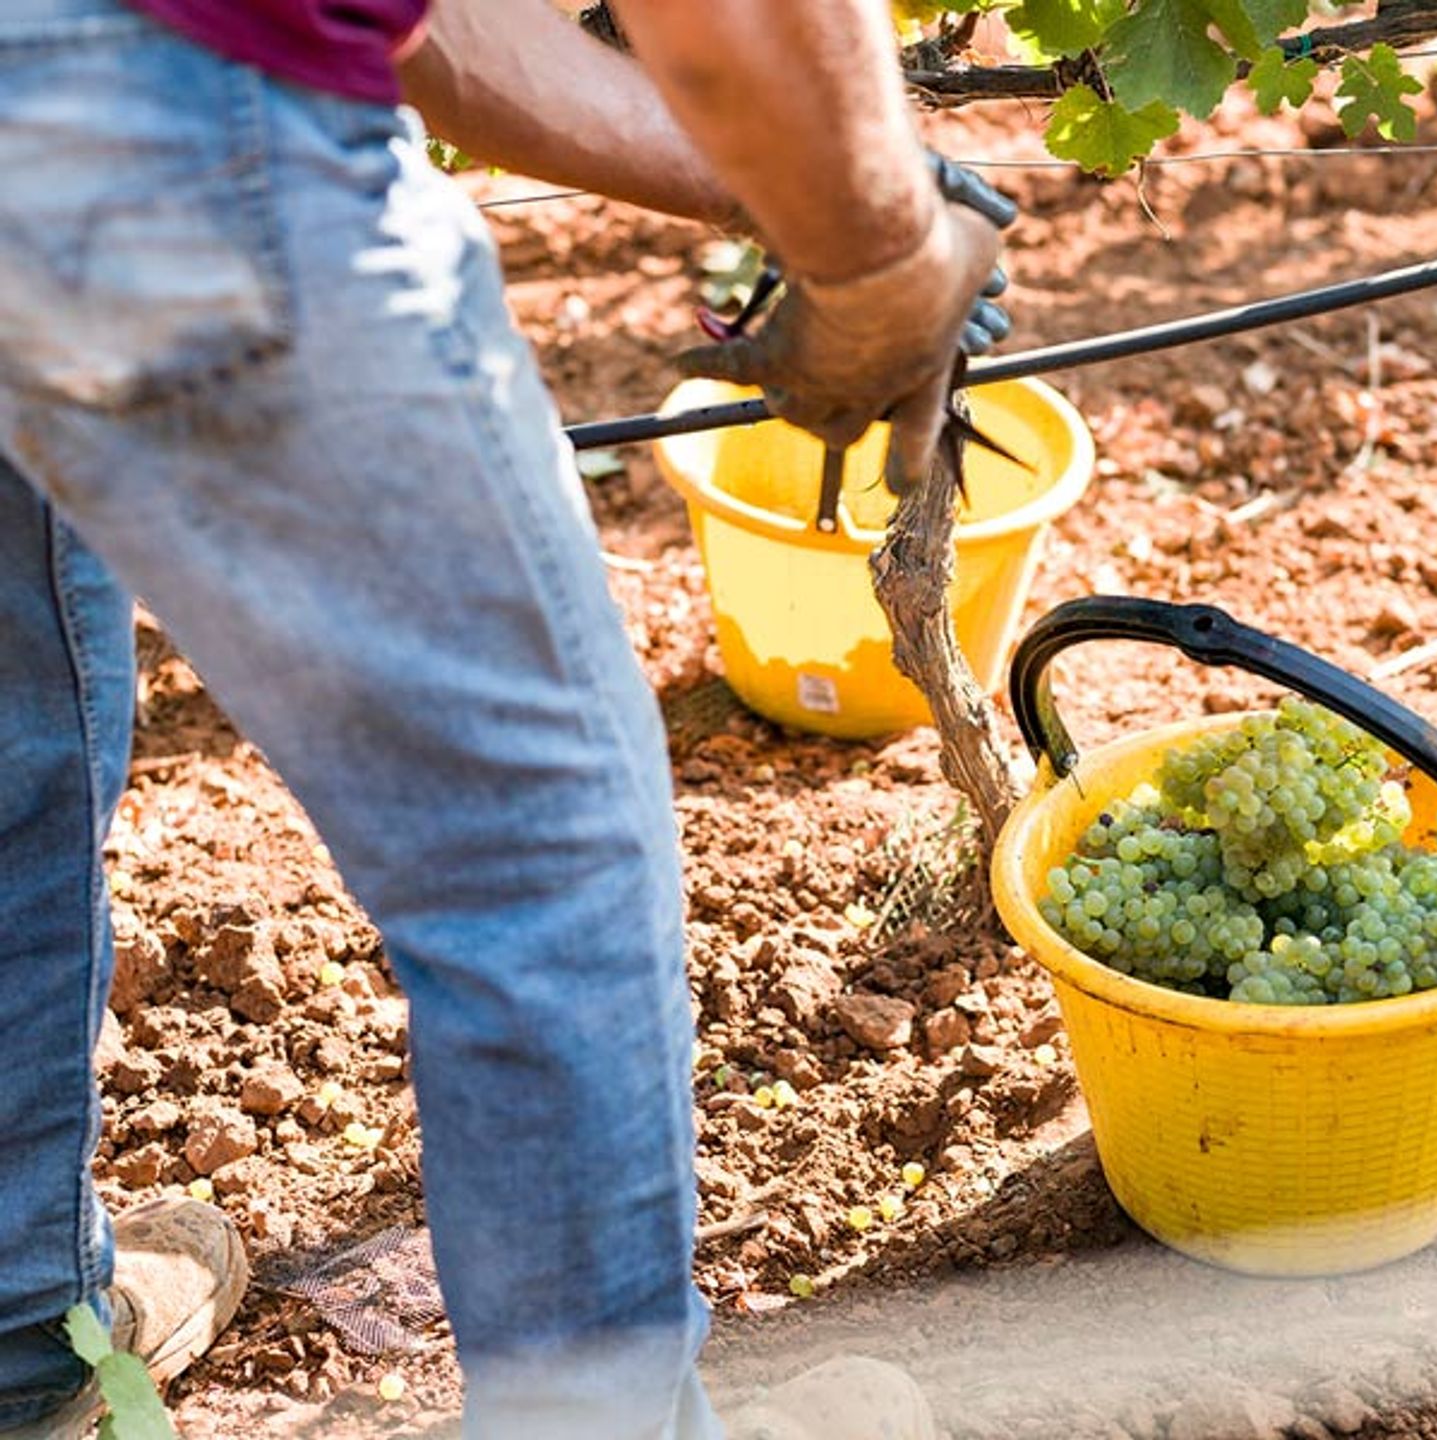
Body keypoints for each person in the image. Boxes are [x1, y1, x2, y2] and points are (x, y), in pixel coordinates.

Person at [0, 0, 1005, 1434]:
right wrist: (882, 246)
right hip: (142, 120)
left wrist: (766, 177)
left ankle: (14, 1334)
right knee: (535, 864)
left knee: (9, 728)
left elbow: (422, 25)